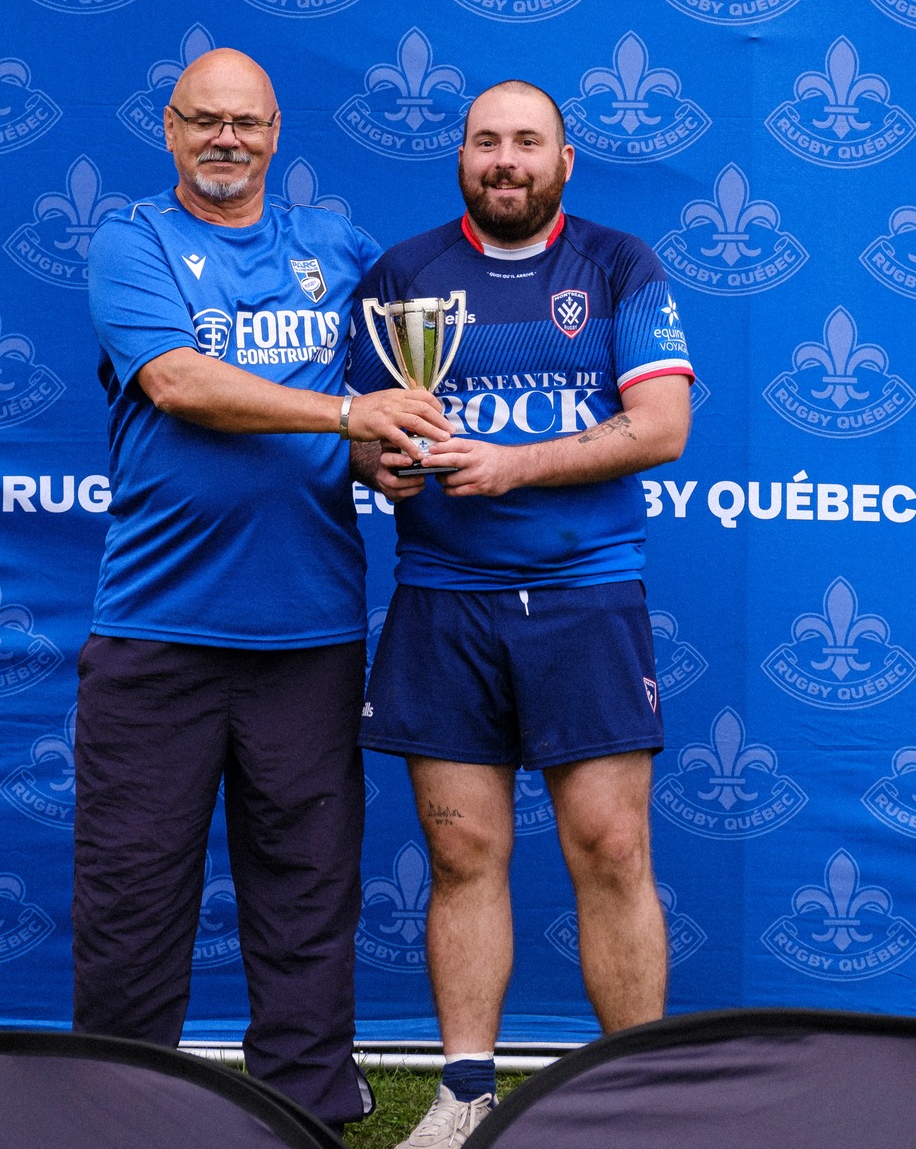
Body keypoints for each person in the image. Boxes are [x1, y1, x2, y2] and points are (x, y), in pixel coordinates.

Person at [76, 46, 448, 1130]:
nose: (225, 138)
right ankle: (117, 1101)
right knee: (133, 890)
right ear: (170, 130)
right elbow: (177, 380)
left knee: (307, 890)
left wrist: (391, 449)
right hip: (158, 629)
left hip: (309, 628)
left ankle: (305, 1105)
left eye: (245, 121)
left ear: (276, 133)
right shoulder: (132, 239)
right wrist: (344, 419)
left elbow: (392, 392)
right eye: (204, 120)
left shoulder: (336, 249)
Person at [348, 80, 695, 1149]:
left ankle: (633, 1093)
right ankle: (464, 1091)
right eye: (485, 141)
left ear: (564, 159)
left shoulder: (617, 265)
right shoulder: (404, 273)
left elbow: (659, 426)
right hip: (443, 603)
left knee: (609, 845)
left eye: (526, 142)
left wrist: (514, 467)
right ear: (460, 155)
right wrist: (385, 464)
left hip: (584, 597)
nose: (505, 160)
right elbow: (361, 431)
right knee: (460, 855)